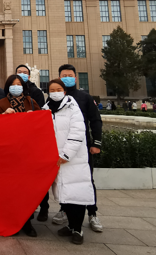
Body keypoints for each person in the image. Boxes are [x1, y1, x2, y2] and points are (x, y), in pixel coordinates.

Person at [53, 64, 102, 233]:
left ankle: (92, 213)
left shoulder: (84, 97)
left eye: (70, 75)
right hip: (61, 149)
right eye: (63, 75)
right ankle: (64, 210)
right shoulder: (54, 99)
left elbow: (95, 120)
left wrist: (96, 143)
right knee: (63, 180)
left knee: (86, 180)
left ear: (75, 78)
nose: (67, 78)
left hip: (82, 149)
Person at [46, 79, 95, 245]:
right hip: (56, 160)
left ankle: (77, 229)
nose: (55, 92)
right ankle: (70, 226)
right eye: (52, 90)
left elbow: (77, 132)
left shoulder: (73, 108)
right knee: (64, 195)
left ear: (64, 91)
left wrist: (66, 154)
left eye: (58, 89)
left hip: (72, 160)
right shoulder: (46, 109)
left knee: (76, 196)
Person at [0, 74, 40, 237]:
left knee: (26, 188)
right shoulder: (0, 104)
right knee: (8, 188)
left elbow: (42, 123)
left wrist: (35, 117)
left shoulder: (31, 102)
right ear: (7, 87)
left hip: (27, 151)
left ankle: (27, 222)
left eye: (19, 84)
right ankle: (10, 221)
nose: (16, 87)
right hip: (7, 152)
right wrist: (2, 117)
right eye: (13, 84)